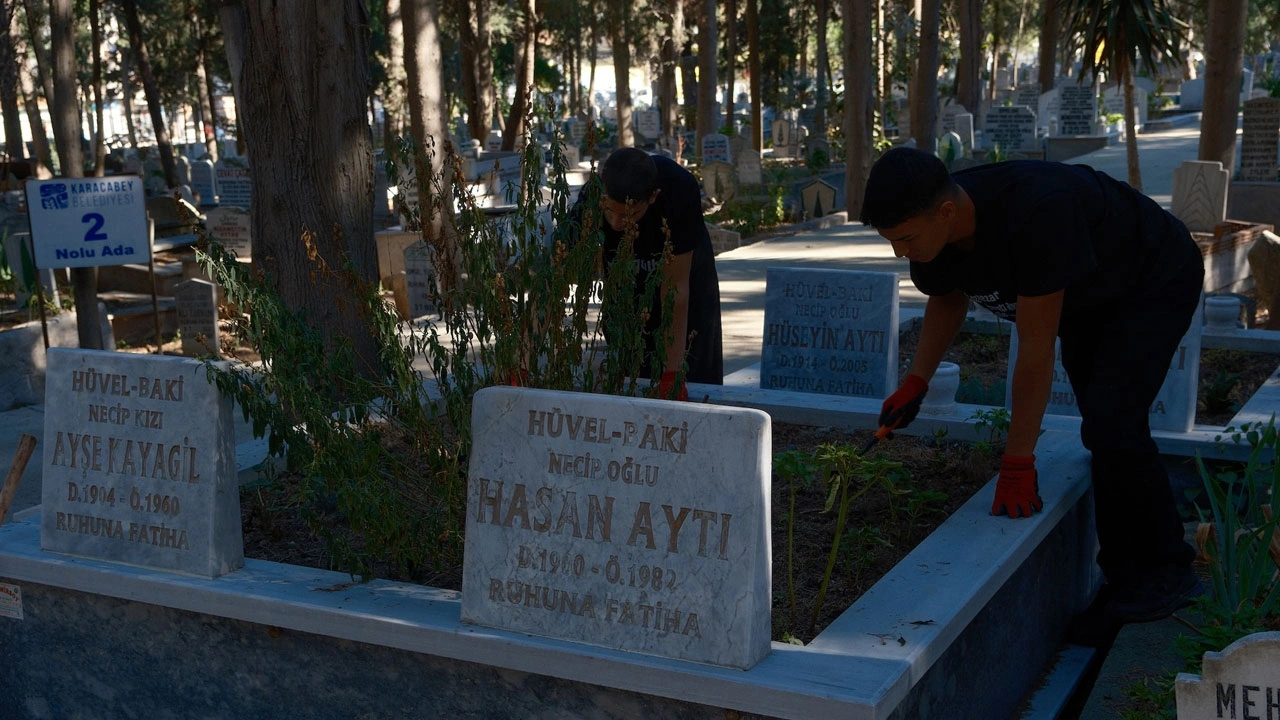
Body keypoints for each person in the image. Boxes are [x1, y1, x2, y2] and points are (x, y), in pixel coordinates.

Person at [861, 147, 1203, 628]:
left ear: (945, 212)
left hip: (1151, 279)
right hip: (1089, 292)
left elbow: (1036, 351)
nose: (901, 252)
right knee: (1106, 429)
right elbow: (946, 301)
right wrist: (916, 381)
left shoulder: (1038, 211)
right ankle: (1132, 570)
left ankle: (1160, 575)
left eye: (905, 239)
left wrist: (1018, 462)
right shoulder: (935, 233)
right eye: (891, 241)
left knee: (1113, 424)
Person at [574, 147, 724, 398]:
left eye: (630, 214)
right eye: (610, 211)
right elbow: (555, 274)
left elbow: (675, 289)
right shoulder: (593, 196)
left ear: (653, 197)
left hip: (687, 285)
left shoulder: (679, 189)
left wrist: (672, 375)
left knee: (694, 374)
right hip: (627, 288)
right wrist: (521, 363)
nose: (616, 224)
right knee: (630, 374)